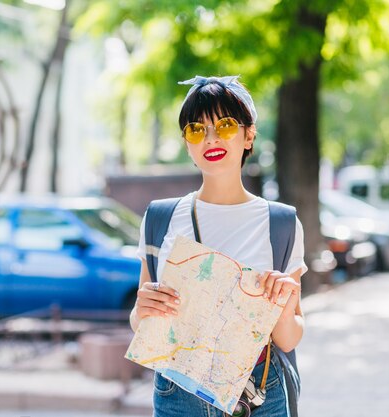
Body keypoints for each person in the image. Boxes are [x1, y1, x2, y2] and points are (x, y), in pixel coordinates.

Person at [129, 75, 307, 417]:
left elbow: (289, 339)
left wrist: (283, 309)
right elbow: (141, 321)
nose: (210, 138)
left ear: (248, 134)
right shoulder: (161, 217)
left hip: (258, 391)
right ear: (187, 142)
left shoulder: (280, 223)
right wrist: (143, 310)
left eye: (224, 125)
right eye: (196, 129)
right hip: (178, 389)